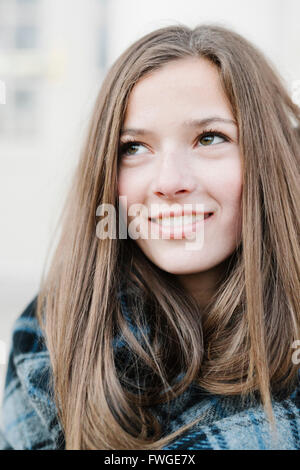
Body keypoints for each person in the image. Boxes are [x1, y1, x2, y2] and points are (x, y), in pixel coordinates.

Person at [0, 22, 299, 450]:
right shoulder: (48, 334)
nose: (169, 182)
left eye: (209, 138)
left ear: (270, 158)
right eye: (134, 148)